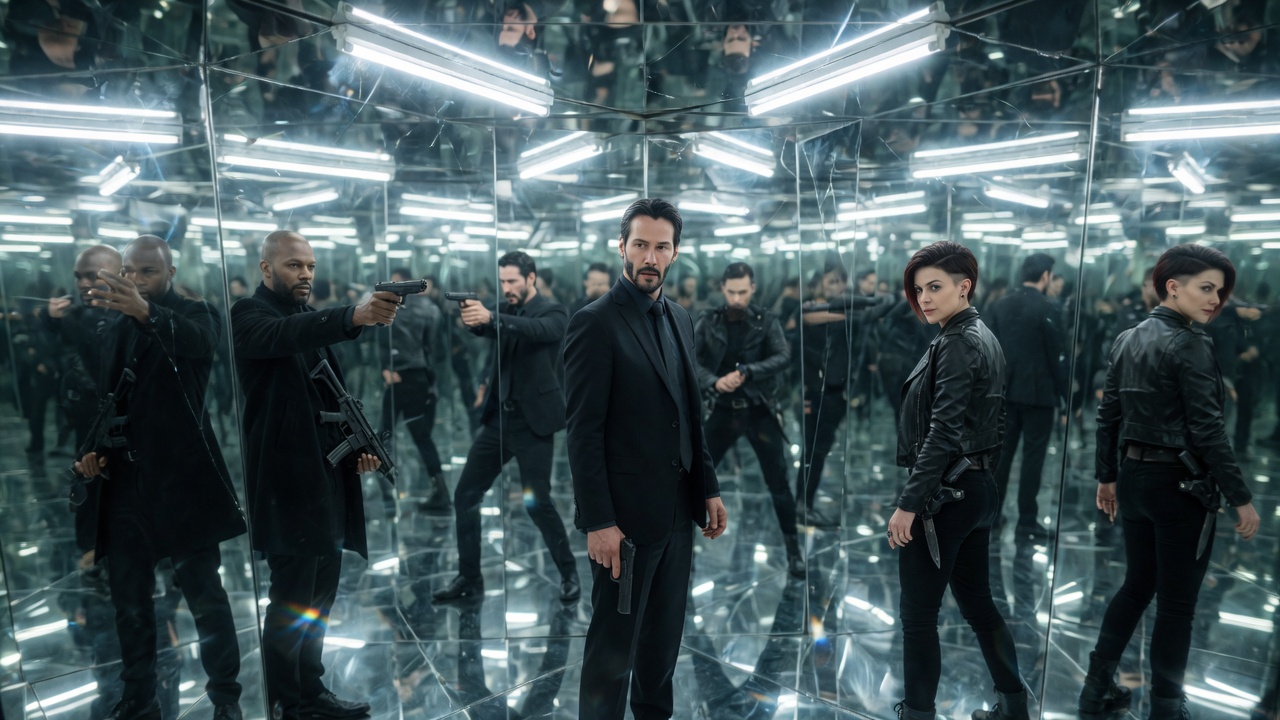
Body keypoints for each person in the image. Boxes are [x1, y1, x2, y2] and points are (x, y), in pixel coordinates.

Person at [564, 198, 727, 720]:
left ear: (675, 252)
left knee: (662, 648)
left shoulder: (679, 317)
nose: (650, 257)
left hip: (677, 511)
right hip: (624, 521)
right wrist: (598, 521)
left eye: (661, 246)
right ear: (622, 247)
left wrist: (708, 486)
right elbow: (582, 433)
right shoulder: (594, 323)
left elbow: (689, 413)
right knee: (613, 651)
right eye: (640, 245)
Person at [1081, 244, 1260, 720]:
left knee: (1137, 585)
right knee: (1177, 606)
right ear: (1173, 287)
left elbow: (1108, 415)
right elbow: (1208, 429)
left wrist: (1107, 476)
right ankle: (1165, 707)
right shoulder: (1191, 343)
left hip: (1135, 478)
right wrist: (1240, 496)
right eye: (1207, 288)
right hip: (1181, 484)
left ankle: (1095, 687)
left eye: (1219, 292)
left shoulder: (1127, 338)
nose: (1215, 300)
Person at [72, 236, 248, 720]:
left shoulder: (196, 313)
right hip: (127, 481)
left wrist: (147, 312)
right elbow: (109, 399)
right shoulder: (114, 326)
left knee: (204, 597)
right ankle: (139, 695)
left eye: (147, 272)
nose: (135, 279)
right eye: (129, 271)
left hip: (184, 481)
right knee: (129, 601)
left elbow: (200, 343)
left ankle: (226, 697)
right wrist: (94, 451)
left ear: (169, 273)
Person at [231, 230, 399, 720]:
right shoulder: (249, 314)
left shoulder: (306, 319)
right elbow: (282, 337)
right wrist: (352, 316)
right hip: (286, 486)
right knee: (291, 601)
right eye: (294, 265)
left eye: (310, 266)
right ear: (266, 269)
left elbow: (331, 400)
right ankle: (289, 702)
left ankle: (311, 690)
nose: (305, 274)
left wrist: (359, 449)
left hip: (325, 479)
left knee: (319, 597)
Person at [887, 241, 1028, 720]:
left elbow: (943, 430)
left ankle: (918, 713)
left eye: (935, 287)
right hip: (975, 488)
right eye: (918, 289)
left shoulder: (957, 343)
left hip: (945, 496)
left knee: (918, 616)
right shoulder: (979, 335)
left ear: (963, 287)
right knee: (979, 605)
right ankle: (1014, 706)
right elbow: (994, 422)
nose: (924, 298)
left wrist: (909, 502)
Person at [432, 251, 580, 603]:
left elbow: (539, 331)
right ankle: (469, 577)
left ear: (531, 278)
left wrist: (491, 317)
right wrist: (474, 318)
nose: (507, 288)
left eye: (512, 281)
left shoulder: (554, 311)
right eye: (502, 282)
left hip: (533, 425)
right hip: (500, 421)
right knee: (465, 495)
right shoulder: (504, 309)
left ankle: (568, 573)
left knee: (537, 503)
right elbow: (486, 329)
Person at [695, 261, 801, 578]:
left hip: (758, 410)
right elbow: (689, 359)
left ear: (752, 288)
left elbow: (783, 356)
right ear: (723, 289)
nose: (737, 299)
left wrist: (749, 371)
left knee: (779, 482)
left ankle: (794, 551)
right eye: (732, 292)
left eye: (742, 292)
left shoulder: (765, 320)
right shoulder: (709, 320)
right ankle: (681, 550)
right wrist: (715, 382)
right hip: (723, 409)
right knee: (694, 478)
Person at [985, 253, 1068, 537]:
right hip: (1040, 395)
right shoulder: (1050, 307)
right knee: (1033, 459)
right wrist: (1067, 395)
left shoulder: (1000, 305)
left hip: (1004, 393)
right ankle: (1027, 519)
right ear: (1045, 276)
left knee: (1002, 455)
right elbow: (1057, 355)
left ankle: (993, 514)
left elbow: (989, 350)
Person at [378, 268, 449, 513]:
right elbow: (436, 350)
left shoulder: (393, 308)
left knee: (385, 435)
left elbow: (382, 342)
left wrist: (386, 368)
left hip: (401, 377)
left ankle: (387, 490)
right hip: (419, 378)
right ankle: (439, 488)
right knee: (419, 437)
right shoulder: (430, 309)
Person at [796, 262, 852, 527]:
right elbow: (805, 317)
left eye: (839, 281)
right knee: (812, 452)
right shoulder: (810, 309)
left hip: (835, 393)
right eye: (830, 281)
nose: (835, 286)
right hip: (813, 393)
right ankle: (802, 504)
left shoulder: (843, 310)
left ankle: (805, 503)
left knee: (819, 451)